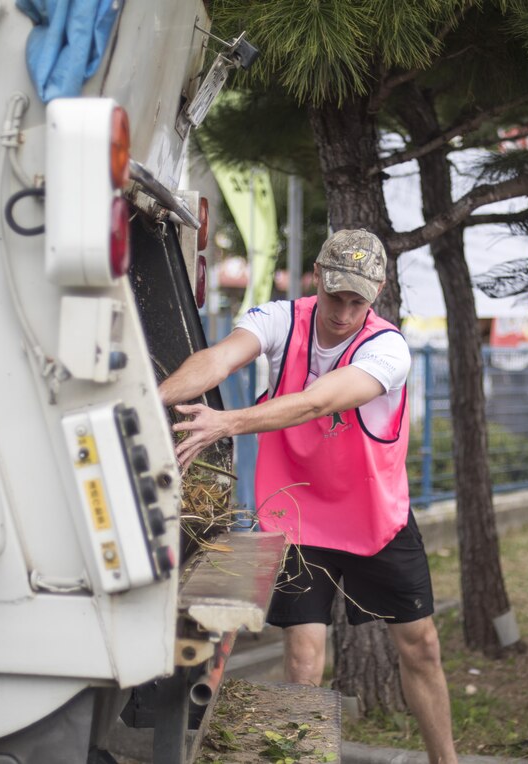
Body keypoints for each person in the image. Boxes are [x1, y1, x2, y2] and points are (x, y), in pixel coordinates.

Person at [158, 229, 458, 764]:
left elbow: (316, 403)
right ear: (317, 275)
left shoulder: (387, 348)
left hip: (374, 521)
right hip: (297, 517)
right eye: (335, 294)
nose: (343, 312)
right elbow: (220, 359)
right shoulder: (279, 318)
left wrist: (227, 422)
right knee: (302, 658)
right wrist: (149, 400)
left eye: (357, 301)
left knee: (422, 647)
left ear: (379, 292)